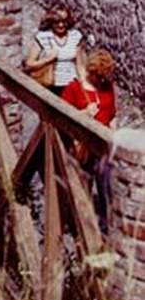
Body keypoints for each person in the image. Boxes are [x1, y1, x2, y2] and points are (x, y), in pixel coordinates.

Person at [62, 49, 117, 232]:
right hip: (82, 146)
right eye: (98, 76)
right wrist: (85, 113)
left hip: (102, 147)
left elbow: (112, 115)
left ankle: (105, 227)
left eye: (104, 77)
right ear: (90, 72)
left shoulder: (107, 87)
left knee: (105, 186)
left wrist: (114, 139)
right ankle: (78, 227)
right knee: (82, 186)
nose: (101, 80)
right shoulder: (74, 88)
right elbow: (62, 118)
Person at [24, 4, 86, 96]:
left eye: (64, 21)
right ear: (51, 21)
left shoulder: (75, 36)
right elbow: (29, 64)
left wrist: (84, 83)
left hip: (72, 85)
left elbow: (79, 65)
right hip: (50, 85)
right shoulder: (43, 37)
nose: (61, 25)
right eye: (57, 22)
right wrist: (47, 59)